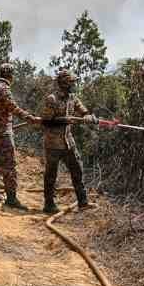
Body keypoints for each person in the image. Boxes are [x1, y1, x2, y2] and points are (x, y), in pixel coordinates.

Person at [38, 69, 98, 213]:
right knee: (51, 174)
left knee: (77, 170)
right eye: (71, 82)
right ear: (64, 83)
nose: (74, 84)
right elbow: (45, 122)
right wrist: (62, 120)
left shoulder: (73, 98)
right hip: (53, 143)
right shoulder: (52, 99)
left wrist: (89, 116)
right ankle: (49, 204)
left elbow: (84, 111)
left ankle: (83, 202)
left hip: (68, 143)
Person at [0, 63, 38, 208]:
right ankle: (12, 199)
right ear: (10, 76)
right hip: (3, 132)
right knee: (9, 165)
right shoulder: (4, 89)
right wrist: (29, 117)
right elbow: (12, 107)